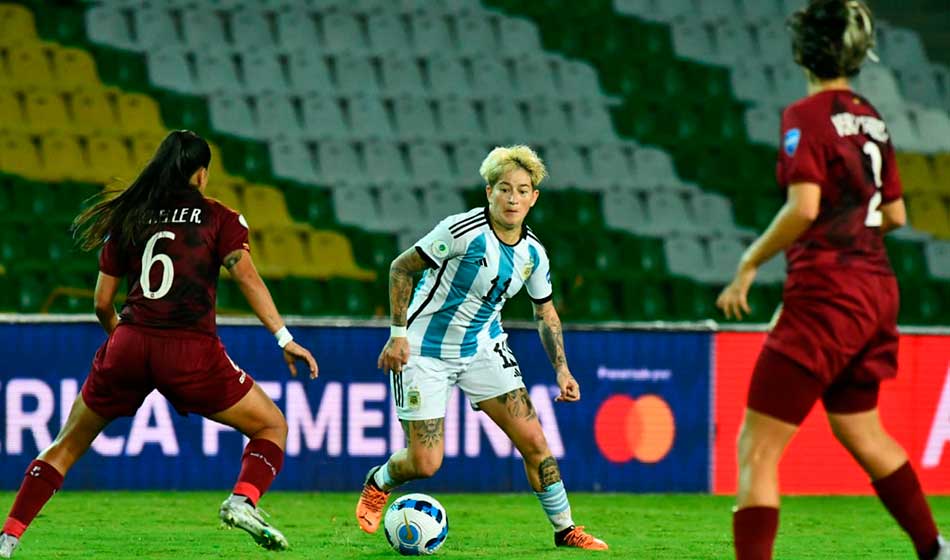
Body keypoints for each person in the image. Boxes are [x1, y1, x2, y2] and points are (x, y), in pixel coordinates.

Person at [0, 131, 318, 558]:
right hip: (190, 352)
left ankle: (8, 538)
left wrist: (123, 338)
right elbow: (246, 277)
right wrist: (285, 338)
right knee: (270, 425)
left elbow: (101, 303)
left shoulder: (132, 216)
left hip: (129, 343)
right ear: (201, 174)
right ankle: (242, 500)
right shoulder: (219, 218)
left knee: (66, 444)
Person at [716, 2, 947, 559]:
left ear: (803, 52)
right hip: (876, 290)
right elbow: (893, 215)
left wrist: (749, 262)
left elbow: (803, 206)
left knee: (757, 451)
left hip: (829, 294)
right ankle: (935, 548)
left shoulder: (806, 114)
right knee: (861, 430)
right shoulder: (870, 115)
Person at [354, 145, 607, 550]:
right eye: (504, 188)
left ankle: (565, 529)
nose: (513, 198)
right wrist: (398, 335)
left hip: (483, 349)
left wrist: (562, 369)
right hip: (424, 349)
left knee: (536, 442)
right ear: (488, 192)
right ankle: (379, 480)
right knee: (425, 463)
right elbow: (401, 267)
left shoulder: (533, 254)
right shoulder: (461, 231)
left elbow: (546, 313)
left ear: (533, 197)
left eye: (522, 190)